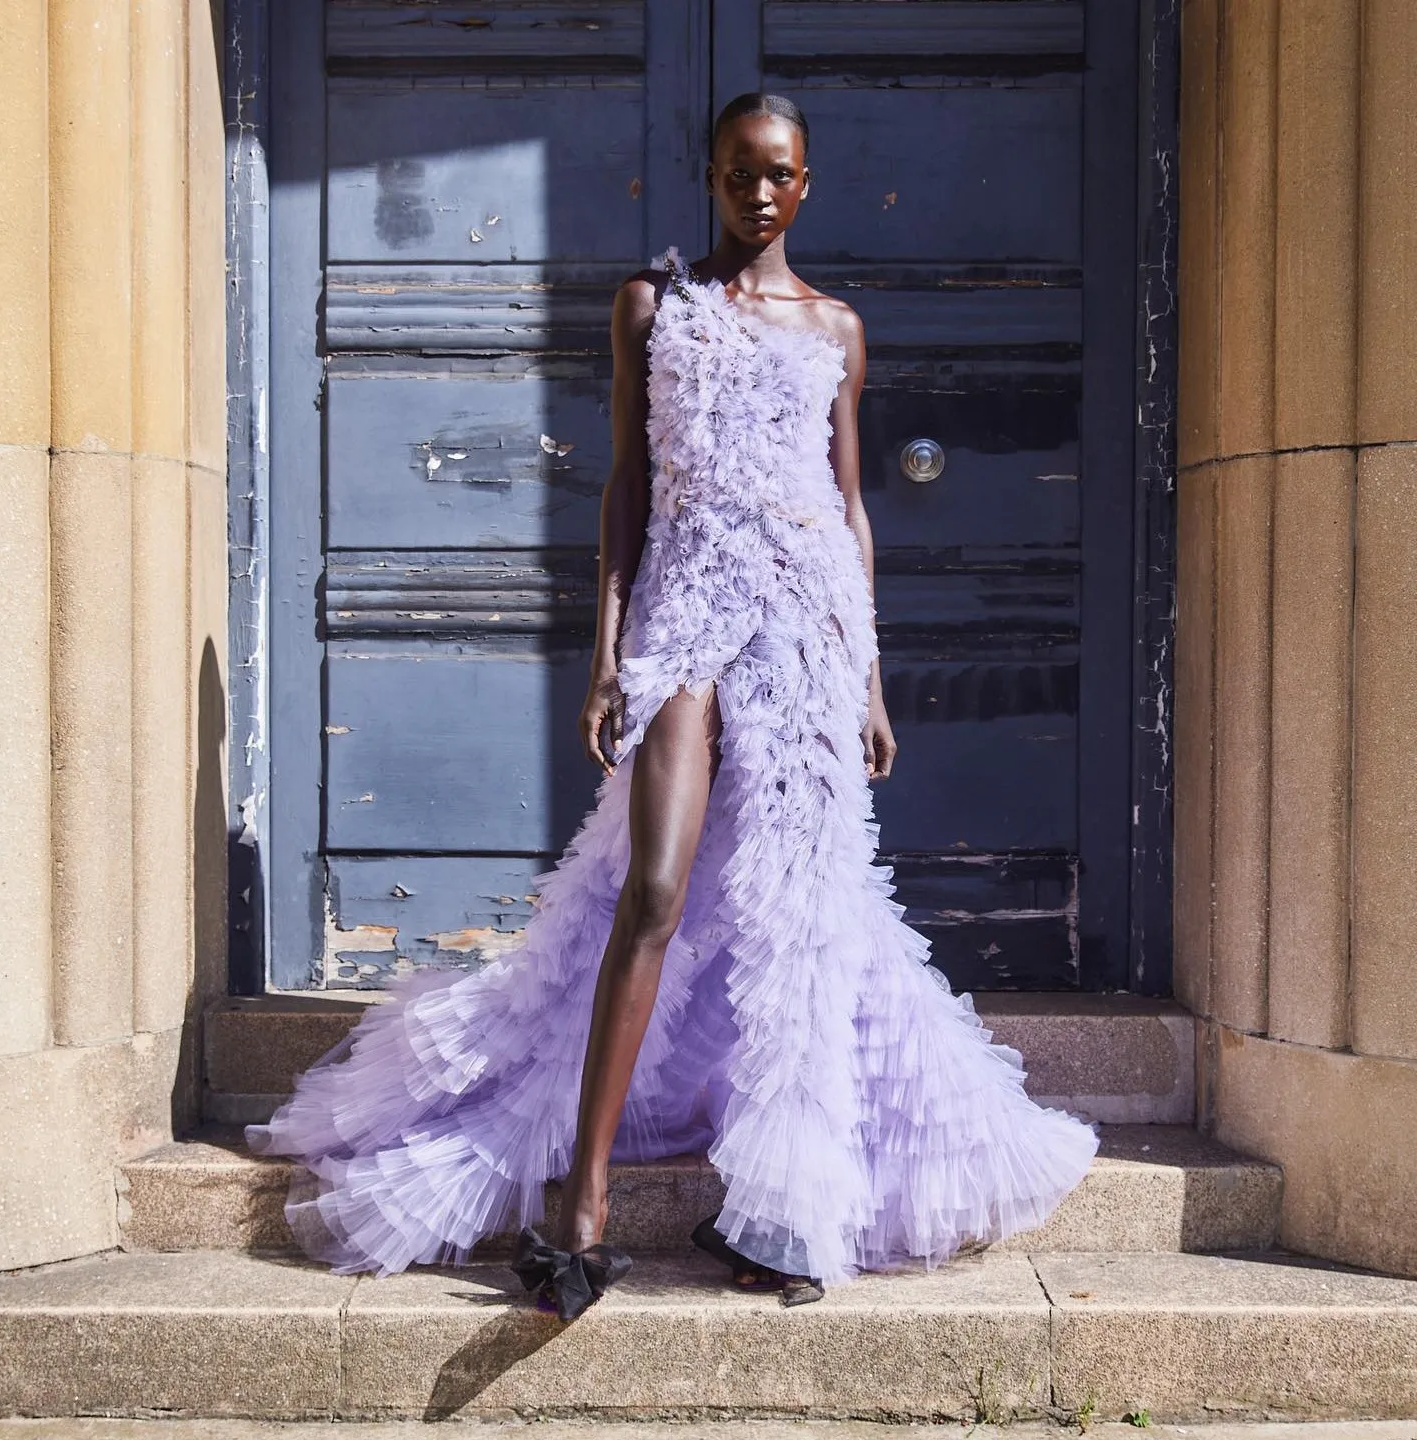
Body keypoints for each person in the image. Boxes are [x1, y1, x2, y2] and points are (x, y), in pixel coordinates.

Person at [247, 91, 1098, 1322]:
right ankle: (580, 1203)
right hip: (689, 615)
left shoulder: (838, 329)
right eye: (741, 173)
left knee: (800, 918)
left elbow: (848, 511)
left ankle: (781, 1211)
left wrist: (867, 676)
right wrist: (608, 655)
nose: (761, 194)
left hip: (809, 630)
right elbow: (627, 487)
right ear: (709, 177)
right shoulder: (653, 308)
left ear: (808, 185)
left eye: (783, 175)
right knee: (654, 888)